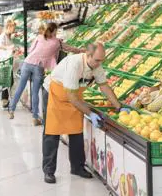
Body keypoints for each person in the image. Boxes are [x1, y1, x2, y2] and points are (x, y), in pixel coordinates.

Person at [41, 42, 125, 184]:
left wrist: (119, 107)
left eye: (102, 60)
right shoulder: (75, 64)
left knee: (76, 132)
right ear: (88, 55)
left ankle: (77, 167)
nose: (100, 63)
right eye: (97, 60)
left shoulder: (96, 66)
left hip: (73, 97)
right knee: (52, 133)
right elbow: (72, 97)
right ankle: (49, 171)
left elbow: (104, 86)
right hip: (55, 95)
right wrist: (90, 113)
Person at [8, 22, 83, 125]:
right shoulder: (58, 42)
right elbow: (70, 49)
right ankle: (35, 118)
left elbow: (31, 50)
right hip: (39, 67)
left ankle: (11, 110)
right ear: (54, 31)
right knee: (35, 93)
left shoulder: (39, 37)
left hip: (27, 63)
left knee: (20, 87)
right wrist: (81, 50)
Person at [0, 19, 16, 108]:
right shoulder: (3, 35)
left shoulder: (8, 35)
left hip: (8, 60)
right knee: (7, 80)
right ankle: (4, 100)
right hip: (4, 61)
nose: (14, 29)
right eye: (13, 27)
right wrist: (9, 47)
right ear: (9, 27)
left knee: (9, 81)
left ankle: (6, 99)